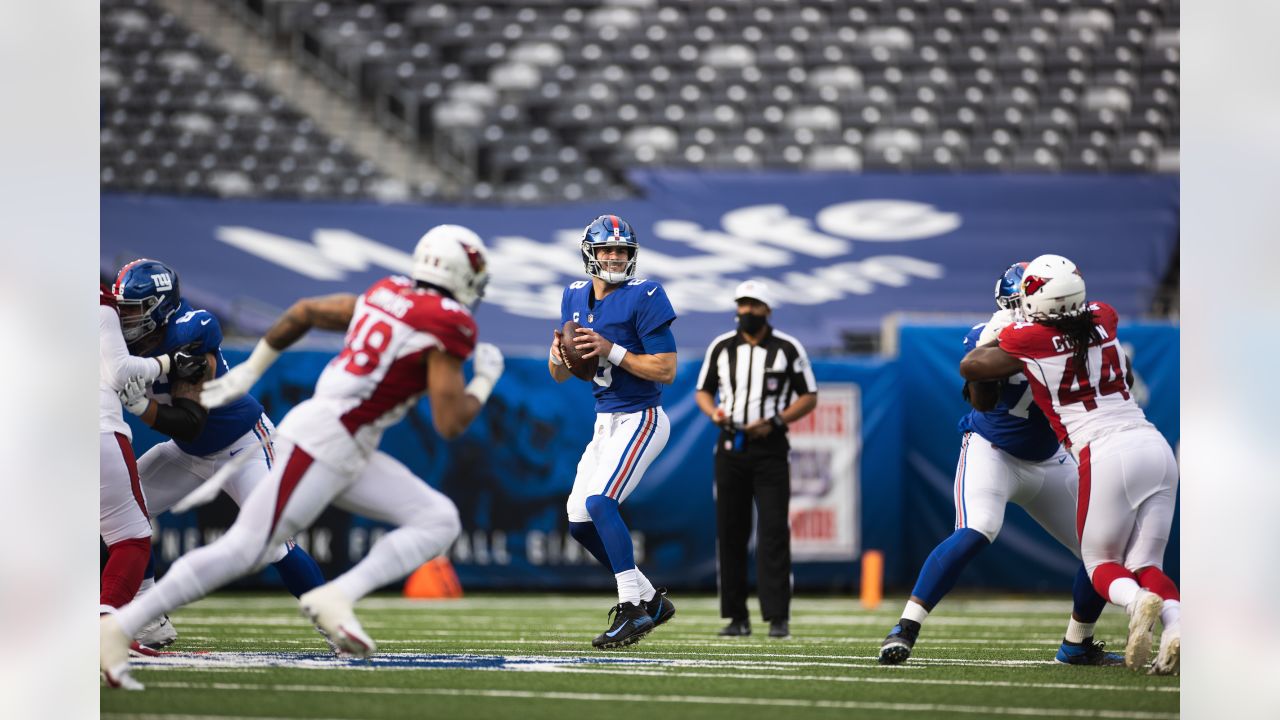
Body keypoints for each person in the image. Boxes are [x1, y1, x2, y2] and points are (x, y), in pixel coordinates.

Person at [100, 225, 504, 689]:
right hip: (321, 438)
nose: (126, 318)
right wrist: (485, 379)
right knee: (225, 541)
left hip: (256, 442)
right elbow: (450, 423)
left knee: (435, 519)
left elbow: (306, 312)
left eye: (134, 310)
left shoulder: (387, 290)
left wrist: (245, 368)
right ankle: (133, 622)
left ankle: (332, 601)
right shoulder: (449, 321)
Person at [878, 263, 1120, 666]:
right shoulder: (986, 337)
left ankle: (1077, 644)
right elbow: (984, 400)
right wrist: (995, 342)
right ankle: (905, 627)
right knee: (978, 529)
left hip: (1050, 458)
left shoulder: (1070, 336)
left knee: (1102, 548)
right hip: (993, 450)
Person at [959, 253, 1180, 675]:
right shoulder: (1105, 315)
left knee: (1100, 564)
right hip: (1154, 444)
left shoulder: (1028, 338)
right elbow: (1119, 366)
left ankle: (1135, 602)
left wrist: (997, 329)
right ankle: (1177, 627)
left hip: (1104, 453)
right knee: (1149, 564)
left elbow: (972, 366)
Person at [111, 259, 327, 652]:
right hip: (189, 454)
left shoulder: (189, 332)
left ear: (159, 307)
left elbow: (190, 422)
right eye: (122, 309)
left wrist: (143, 407)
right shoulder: (119, 339)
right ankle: (149, 617)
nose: (125, 319)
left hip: (243, 444)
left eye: (134, 310)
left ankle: (336, 625)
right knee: (124, 512)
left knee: (273, 539)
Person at [548, 214, 678, 649]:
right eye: (607, 250)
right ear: (591, 253)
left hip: (641, 416)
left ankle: (632, 610)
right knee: (580, 522)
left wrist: (612, 350)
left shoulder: (646, 294)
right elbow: (560, 374)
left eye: (622, 251)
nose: (615, 257)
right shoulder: (573, 296)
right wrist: (559, 355)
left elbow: (667, 369)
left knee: (601, 502)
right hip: (605, 422)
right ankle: (650, 600)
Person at [693, 279, 817, 639]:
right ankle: (736, 617)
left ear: (767, 310)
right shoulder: (721, 346)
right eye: (742, 305)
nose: (746, 311)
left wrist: (776, 420)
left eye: (753, 305)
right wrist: (714, 413)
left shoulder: (787, 348)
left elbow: (809, 395)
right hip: (731, 446)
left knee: (774, 530)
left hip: (771, 449)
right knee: (730, 532)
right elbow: (703, 391)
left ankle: (777, 616)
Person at [99, 283, 172, 629]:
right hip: (95, 428)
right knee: (133, 541)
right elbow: (121, 371)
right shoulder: (93, 297)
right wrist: (166, 363)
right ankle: (107, 625)